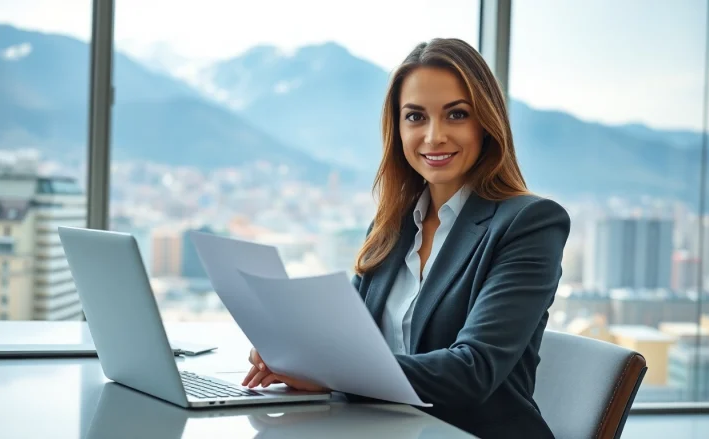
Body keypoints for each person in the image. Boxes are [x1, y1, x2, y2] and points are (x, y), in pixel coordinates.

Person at [242, 37, 570, 438]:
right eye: (415, 117)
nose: (433, 137)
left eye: (456, 115)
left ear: (486, 123)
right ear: (397, 129)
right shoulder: (392, 227)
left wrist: (330, 370)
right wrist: (292, 353)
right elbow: (349, 341)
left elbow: (473, 370)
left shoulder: (530, 223)